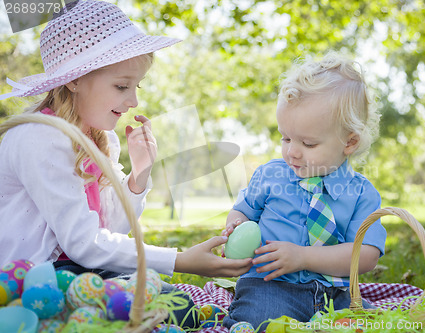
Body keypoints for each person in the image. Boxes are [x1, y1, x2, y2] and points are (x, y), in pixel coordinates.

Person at [0, 0, 252, 327]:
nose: (134, 101)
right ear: (74, 79)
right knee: (159, 306)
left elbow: (109, 233)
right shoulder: (40, 137)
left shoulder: (99, 139)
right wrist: (179, 260)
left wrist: (139, 175)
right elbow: (84, 244)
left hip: (78, 272)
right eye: (122, 86)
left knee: (178, 302)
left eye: (136, 86)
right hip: (34, 282)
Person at [222, 52, 387, 331]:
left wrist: (303, 257)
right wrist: (235, 225)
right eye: (285, 138)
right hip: (271, 286)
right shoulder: (270, 174)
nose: (292, 151)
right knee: (261, 320)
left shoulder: (362, 194)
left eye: (308, 144)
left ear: (350, 142)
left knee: (376, 324)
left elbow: (366, 255)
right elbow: (243, 210)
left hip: (335, 295)